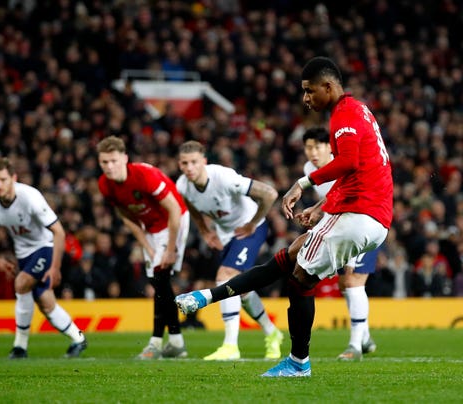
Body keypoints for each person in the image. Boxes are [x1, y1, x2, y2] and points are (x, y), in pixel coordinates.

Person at [175, 56, 393, 377]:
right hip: (373, 215)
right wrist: (320, 207)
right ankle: (208, 296)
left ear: (328, 87)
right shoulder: (359, 110)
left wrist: (302, 184)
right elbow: (359, 168)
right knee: (291, 256)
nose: (305, 98)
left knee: (300, 278)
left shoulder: (344, 114)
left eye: (309, 91)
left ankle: (298, 362)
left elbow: (348, 162)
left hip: (360, 213)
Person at [176, 140, 284, 360]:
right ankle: (272, 332)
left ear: (204, 162)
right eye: (185, 163)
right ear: (179, 165)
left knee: (225, 277)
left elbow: (269, 193)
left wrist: (253, 223)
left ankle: (230, 346)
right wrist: (205, 231)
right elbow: (192, 206)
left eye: (194, 162)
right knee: (240, 289)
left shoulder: (223, 177)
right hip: (227, 235)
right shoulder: (182, 186)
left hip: (249, 228)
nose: (190, 168)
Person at [0, 158, 87, 359]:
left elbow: (59, 232)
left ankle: (20, 347)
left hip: (45, 247)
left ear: (13, 178)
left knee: (21, 284)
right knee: (47, 304)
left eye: (3, 179)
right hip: (23, 253)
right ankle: (79, 338)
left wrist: (55, 268)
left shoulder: (30, 197)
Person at [97, 135, 189, 359]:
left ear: (125, 159)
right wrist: (147, 245)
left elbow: (175, 210)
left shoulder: (145, 176)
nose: (109, 167)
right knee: (159, 282)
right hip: (151, 229)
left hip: (173, 222)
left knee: (159, 278)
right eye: (104, 162)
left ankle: (156, 343)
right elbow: (126, 217)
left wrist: (170, 250)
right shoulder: (104, 185)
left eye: (114, 161)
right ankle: (176, 342)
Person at [302, 127, 379, 361]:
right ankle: (364, 337)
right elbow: (331, 197)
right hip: (343, 224)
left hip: (366, 218)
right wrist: (317, 212)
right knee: (345, 285)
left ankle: (355, 345)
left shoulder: (343, 163)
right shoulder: (309, 169)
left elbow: (347, 191)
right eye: (308, 147)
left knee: (352, 279)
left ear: (329, 147)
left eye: (318, 146)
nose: (313, 152)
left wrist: (318, 211)